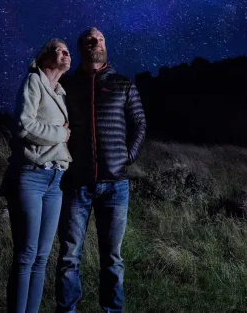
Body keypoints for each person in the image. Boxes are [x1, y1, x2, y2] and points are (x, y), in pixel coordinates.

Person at [54, 27, 146, 313]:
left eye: (101, 39)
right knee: (69, 256)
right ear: (82, 47)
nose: (97, 42)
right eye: (91, 40)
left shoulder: (123, 83)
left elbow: (140, 124)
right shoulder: (67, 85)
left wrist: (127, 156)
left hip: (116, 184)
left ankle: (111, 310)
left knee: (113, 257)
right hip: (76, 182)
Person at [0, 38, 73, 313]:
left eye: (68, 51)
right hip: (31, 175)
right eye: (60, 50)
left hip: (56, 179)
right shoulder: (33, 81)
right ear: (45, 57)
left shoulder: (61, 92)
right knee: (27, 255)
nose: (67, 53)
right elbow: (22, 125)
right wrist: (61, 134)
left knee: (42, 257)